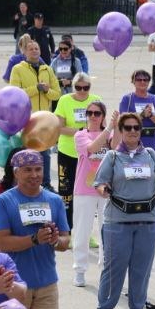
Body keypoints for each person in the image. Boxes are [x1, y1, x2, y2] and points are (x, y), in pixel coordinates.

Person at [91, 111, 155, 309]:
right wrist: (103, 190)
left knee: (141, 270)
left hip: (147, 221)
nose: (132, 131)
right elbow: (99, 182)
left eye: (136, 127)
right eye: (128, 128)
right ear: (121, 131)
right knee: (114, 269)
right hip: (117, 221)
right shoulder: (112, 157)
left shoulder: (150, 154)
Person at [0, 149, 70, 309]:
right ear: (16, 172)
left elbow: (65, 240)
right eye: (27, 170)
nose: (34, 175)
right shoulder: (3, 201)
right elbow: (3, 243)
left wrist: (55, 240)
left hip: (47, 283)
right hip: (14, 284)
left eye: (38, 169)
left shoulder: (54, 200)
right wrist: (34, 239)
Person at [53, 72, 102, 228]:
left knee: (88, 192)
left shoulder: (96, 100)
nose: (82, 91)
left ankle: (85, 230)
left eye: (85, 88)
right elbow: (59, 127)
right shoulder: (64, 100)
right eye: (78, 87)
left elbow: (102, 127)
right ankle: (66, 229)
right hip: (68, 152)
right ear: (73, 87)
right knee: (66, 193)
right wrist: (81, 132)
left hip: (89, 155)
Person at [70, 102, 111, 287]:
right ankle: (79, 270)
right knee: (82, 230)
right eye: (90, 113)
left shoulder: (111, 134)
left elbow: (116, 147)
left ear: (103, 115)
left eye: (97, 113)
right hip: (84, 189)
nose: (93, 116)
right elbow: (92, 148)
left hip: (106, 189)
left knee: (107, 231)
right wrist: (109, 128)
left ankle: (106, 270)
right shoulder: (80, 135)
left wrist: (116, 126)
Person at [119, 68, 155, 155]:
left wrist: (151, 115)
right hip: (131, 143)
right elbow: (122, 121)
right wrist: (142, 115)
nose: (142, 82)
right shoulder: (127, 99)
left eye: (145, 80)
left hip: (151, 143)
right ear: (133, 81)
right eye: (139, 79)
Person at [11, 39, 61, 115]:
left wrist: (47, 91)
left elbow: (57, 94)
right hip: (26, 115)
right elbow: (16, 95)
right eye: (31, 49)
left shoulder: (48, 69)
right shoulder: (17, 69)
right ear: (25, 52)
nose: (34, 51)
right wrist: (36, 88)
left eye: (36, 49)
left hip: (44, 115)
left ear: (40, 52)